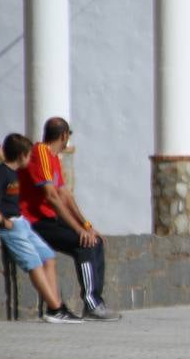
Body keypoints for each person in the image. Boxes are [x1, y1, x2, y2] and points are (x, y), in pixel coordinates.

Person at [17, 117, 120, 321]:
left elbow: (64, 194)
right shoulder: (41, 153)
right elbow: (52, 197)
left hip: (49, 219)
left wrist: (86, 225)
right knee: (83, 245)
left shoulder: (53, 157)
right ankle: (91, 304)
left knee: (95, 241)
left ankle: (96, 301)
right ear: (64, 135)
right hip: (34, 222)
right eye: (68, 137)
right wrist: (78, 230)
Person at [0, 133, 81, 323]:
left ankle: (55, 306)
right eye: (29, 155)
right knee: (34, 263)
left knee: (48, 257)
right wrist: (2, 221)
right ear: (22, 155)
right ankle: (56, 309)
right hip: (10, 226)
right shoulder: (0, 172)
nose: (31, 159)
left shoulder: (14, 174)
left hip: (21, 222)